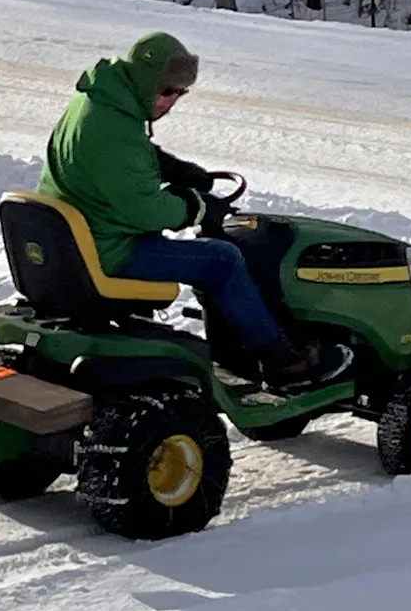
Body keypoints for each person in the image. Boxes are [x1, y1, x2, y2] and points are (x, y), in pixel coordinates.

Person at [37, 30, 346, 388]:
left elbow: (120, 160)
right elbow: (148, 211)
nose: (172, 102)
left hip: (79, 239)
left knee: (213, 256)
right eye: (167, 91)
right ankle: (281, 359)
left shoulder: (100, 102)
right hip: (108, 250)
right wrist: (195, 208)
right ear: (145, 80)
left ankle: (236, 351)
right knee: (222, 259)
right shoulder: (114, 132)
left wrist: (173, 168)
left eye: (180, 93)